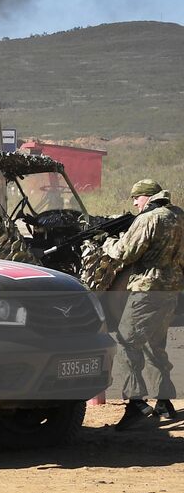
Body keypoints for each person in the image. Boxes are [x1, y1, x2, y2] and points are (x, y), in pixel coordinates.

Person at [102, 179, 183, 430]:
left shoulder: (148, 219)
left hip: (146, 290)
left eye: (136, 198)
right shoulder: (178, 216)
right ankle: (164, 401)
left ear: (147, 197)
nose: (135, 203)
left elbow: (127, 253)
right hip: (171, 290)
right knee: (154, 343)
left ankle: (136, 403)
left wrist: (108, 243)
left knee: (127, 342)